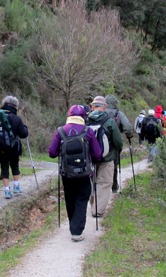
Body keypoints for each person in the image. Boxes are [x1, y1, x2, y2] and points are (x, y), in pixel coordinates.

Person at [49, 105, 102, 242]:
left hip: (67, 173)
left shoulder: (61, 131)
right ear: (84, 116)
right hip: (84, 173)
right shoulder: (88, 131)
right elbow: (97, 154)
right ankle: (76, 231)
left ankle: (74, 226)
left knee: (70, 199)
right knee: (81, 200)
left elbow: (52, 153)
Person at [87, 96, 123, 217]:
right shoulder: (110, 121)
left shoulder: (86, 120)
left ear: (92, 106)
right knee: (104, 182)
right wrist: (117, 151)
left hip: (90, 159)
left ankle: (93, 204)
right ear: (105, 107)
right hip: (107, 158)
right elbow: (118, 142)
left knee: (92, 182)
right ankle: (97, 210)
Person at [0, 95, 29, 199]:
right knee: (15, 165)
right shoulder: (17, 119)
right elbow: (23, 134)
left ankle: (7, 191)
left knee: (4, 167)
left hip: (0, 148)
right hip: (14, 148)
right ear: (15, 106)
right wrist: (25, 128)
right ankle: (16, 186)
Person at [104, 94, 133, 193]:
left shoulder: (100, 112)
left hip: (100, 143)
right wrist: (129, 136)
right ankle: (114, 186)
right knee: (114, 164)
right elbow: (127, 128)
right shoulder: (118, 113)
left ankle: (101, 186)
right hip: (114, 144)